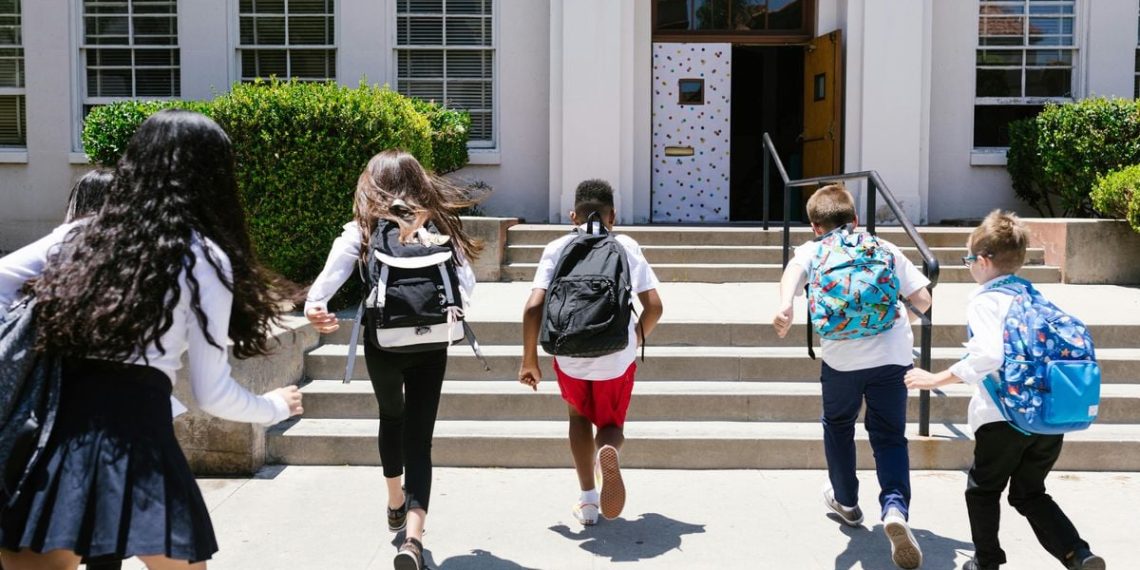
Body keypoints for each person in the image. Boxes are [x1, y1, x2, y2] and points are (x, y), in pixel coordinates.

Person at [0, 109, 304, 569]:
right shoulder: (202, 255)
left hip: (56, 434)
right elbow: (213, 393)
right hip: (140, 436)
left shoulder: (80, 235)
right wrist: (276, 407)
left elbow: (3, 280)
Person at [304, 150, 482, 570]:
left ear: (373, 183)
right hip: (432, 345)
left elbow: (326, 284)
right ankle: (414, 541)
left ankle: (394, 501)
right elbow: (467, 291)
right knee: (420, 440)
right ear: (420, 182)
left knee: (391, 418)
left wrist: (316, 306)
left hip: (383, 344)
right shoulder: (441, 229)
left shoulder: (362, 230)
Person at [904, 211, 1105, 570]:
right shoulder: (1034, 296)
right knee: (1029, 492)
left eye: (969, 260)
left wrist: (936, 379)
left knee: (982, 489)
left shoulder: (985, 300)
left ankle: (986, 561)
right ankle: (1078, 553)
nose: (968, 267)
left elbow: (988, 354)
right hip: (1048, 417)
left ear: (983, 261)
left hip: (1002, 417)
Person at [772, 184, 930, 569]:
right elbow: (924, 300)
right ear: (856, 219)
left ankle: (846, 501)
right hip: (892, 358)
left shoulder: (814, 249)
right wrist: (899, 321)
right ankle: (894, 509)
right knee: (890, 435)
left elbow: (792, 276)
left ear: (815, 226)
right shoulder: (883, 247)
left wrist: (784, 308)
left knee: (838, 425)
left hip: (841, 361)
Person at [519, 179, 663, 526]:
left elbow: (533, 307)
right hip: (616, 355)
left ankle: (587, 501)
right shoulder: (626, 245)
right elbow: (655, 307)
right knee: (611, 425)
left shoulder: (557, 246)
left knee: (577, 418)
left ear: (573, 215)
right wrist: (635, 337)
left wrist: (529, 361)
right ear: (613, 215)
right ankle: (607, 450)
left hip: (569, 353)